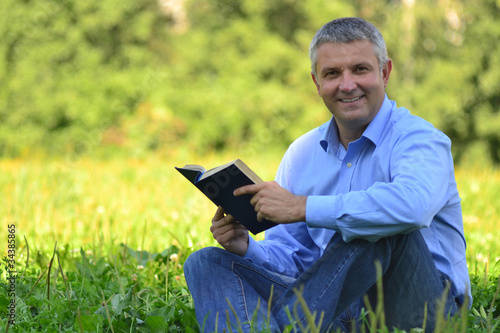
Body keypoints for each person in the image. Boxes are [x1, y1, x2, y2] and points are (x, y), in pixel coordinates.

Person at [184, 17, 471, 332]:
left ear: (385, 73)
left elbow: (411, 208)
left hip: (422, 310)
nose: (347, 85)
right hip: (334, 308)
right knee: (207, 263)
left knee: (378, 226)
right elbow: (296, 258)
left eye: (360, 69)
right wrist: (246, 247)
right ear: (316, 82)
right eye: (332, 73)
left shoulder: (419, 139)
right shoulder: (302, 153)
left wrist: (302, 207)